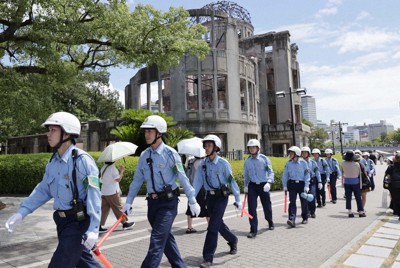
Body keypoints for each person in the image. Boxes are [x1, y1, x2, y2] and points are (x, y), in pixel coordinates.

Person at [5, 112, 102, 267]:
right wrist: (22, 212)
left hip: (78, 222)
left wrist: (93, 229)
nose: (48, 134)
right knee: (83, 261)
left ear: (67, 133)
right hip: (62, 222)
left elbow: (94, 195)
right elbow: (43, 189)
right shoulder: (53, 162)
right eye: (48, 130)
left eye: (53, 130)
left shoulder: (83, 161)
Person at [122, 115, 201, 268]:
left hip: (168, 204)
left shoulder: (171, 154)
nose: (146, 135)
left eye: (150, 131)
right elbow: (137, 181)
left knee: (156, 241)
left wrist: (192, 200)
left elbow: (183, 178)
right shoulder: (144, 156)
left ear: (159, 133)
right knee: (165, 239)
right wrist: (128, 202)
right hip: (152, 204)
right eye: (145, 132)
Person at [193, 134, 242, 268]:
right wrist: (192, 199)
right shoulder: (203, 164)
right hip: (210, 197)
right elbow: (197, 182)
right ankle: (233, 240)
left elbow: (232, 181)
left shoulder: (223, 164)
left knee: (212, 226)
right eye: (205, 145)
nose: (206, 148)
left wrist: (238, 199)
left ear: (216, 147)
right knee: (217, 223)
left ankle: (208, 258)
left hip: (221, 197)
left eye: (209, 145)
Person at [243, 139, 275, 238]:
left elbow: (270, 172)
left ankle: (270, 221)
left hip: (263, 185)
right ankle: (253, 229)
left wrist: (269, 183)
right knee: (251, 208)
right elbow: (246, 175)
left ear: (258, 148)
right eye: (250, 147)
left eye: (254, 147)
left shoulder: (264, 159)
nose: (252, 149)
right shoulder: (247, 161)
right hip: (252, 186)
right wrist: (245, 186)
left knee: (267, 206)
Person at [99, 162, 134, 232]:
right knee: (119, 208)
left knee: (104, 210)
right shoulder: (112, 168)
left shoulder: (103, 167)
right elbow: (118, 179)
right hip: (112, 192)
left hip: (104, 192)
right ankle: (124, 224)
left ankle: (99, 226)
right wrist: (121, 172)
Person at [281, 146, 311, 228]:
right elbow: (285, 175)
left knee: (303, 202)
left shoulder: (304, 163)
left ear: (296, 154)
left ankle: (305, 217)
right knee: (292, 202)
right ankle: (292, 219)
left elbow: (307, 175)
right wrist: (284, 186)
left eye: (291, 153)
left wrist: (306, 186)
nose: (290, 154)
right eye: (290, 153)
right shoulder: (288, 163)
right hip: (292, 184)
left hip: (301, 184)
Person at [184, 155, 209, 234]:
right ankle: (210, 225)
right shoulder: (205, 162)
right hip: (202, 188)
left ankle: (189, 227)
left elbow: (186, 175)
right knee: (206, 207)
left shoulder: (190, 162)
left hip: (192, 188)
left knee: (190, 206)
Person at [341, 150, 366, 218]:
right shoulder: (356, 164)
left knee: (348, 197)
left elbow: (343, 171)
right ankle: (361, 211)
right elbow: (358, 174)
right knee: (358, 197)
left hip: (347, 181)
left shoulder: (343, 163)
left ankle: (350, 212)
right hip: (355, 182)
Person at [301, 146, 322, 218]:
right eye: (302, 153)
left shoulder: (313, 162)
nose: (304, 154)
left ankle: (312, 211)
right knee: (305, 197)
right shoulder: (300, 162)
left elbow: (317, 172)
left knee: (312, 196)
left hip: (312, 181)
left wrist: (319, 182)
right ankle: (307, 212)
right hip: (303, 182)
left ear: (308, 153)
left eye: (305, 153)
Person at [384, 153, 400, 219]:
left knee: (395, 198)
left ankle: (396, 212)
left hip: (394, 185)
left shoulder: (391, 166)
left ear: (395, 158)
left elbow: (387, 176)